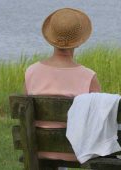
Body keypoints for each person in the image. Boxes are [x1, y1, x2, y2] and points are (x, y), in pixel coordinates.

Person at [24, 8, 101, 167]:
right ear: (79, 41)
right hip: (75, 152)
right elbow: (98, 120)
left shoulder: (31, 72)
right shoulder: (88, 77)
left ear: (51, 38)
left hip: (38, 149)